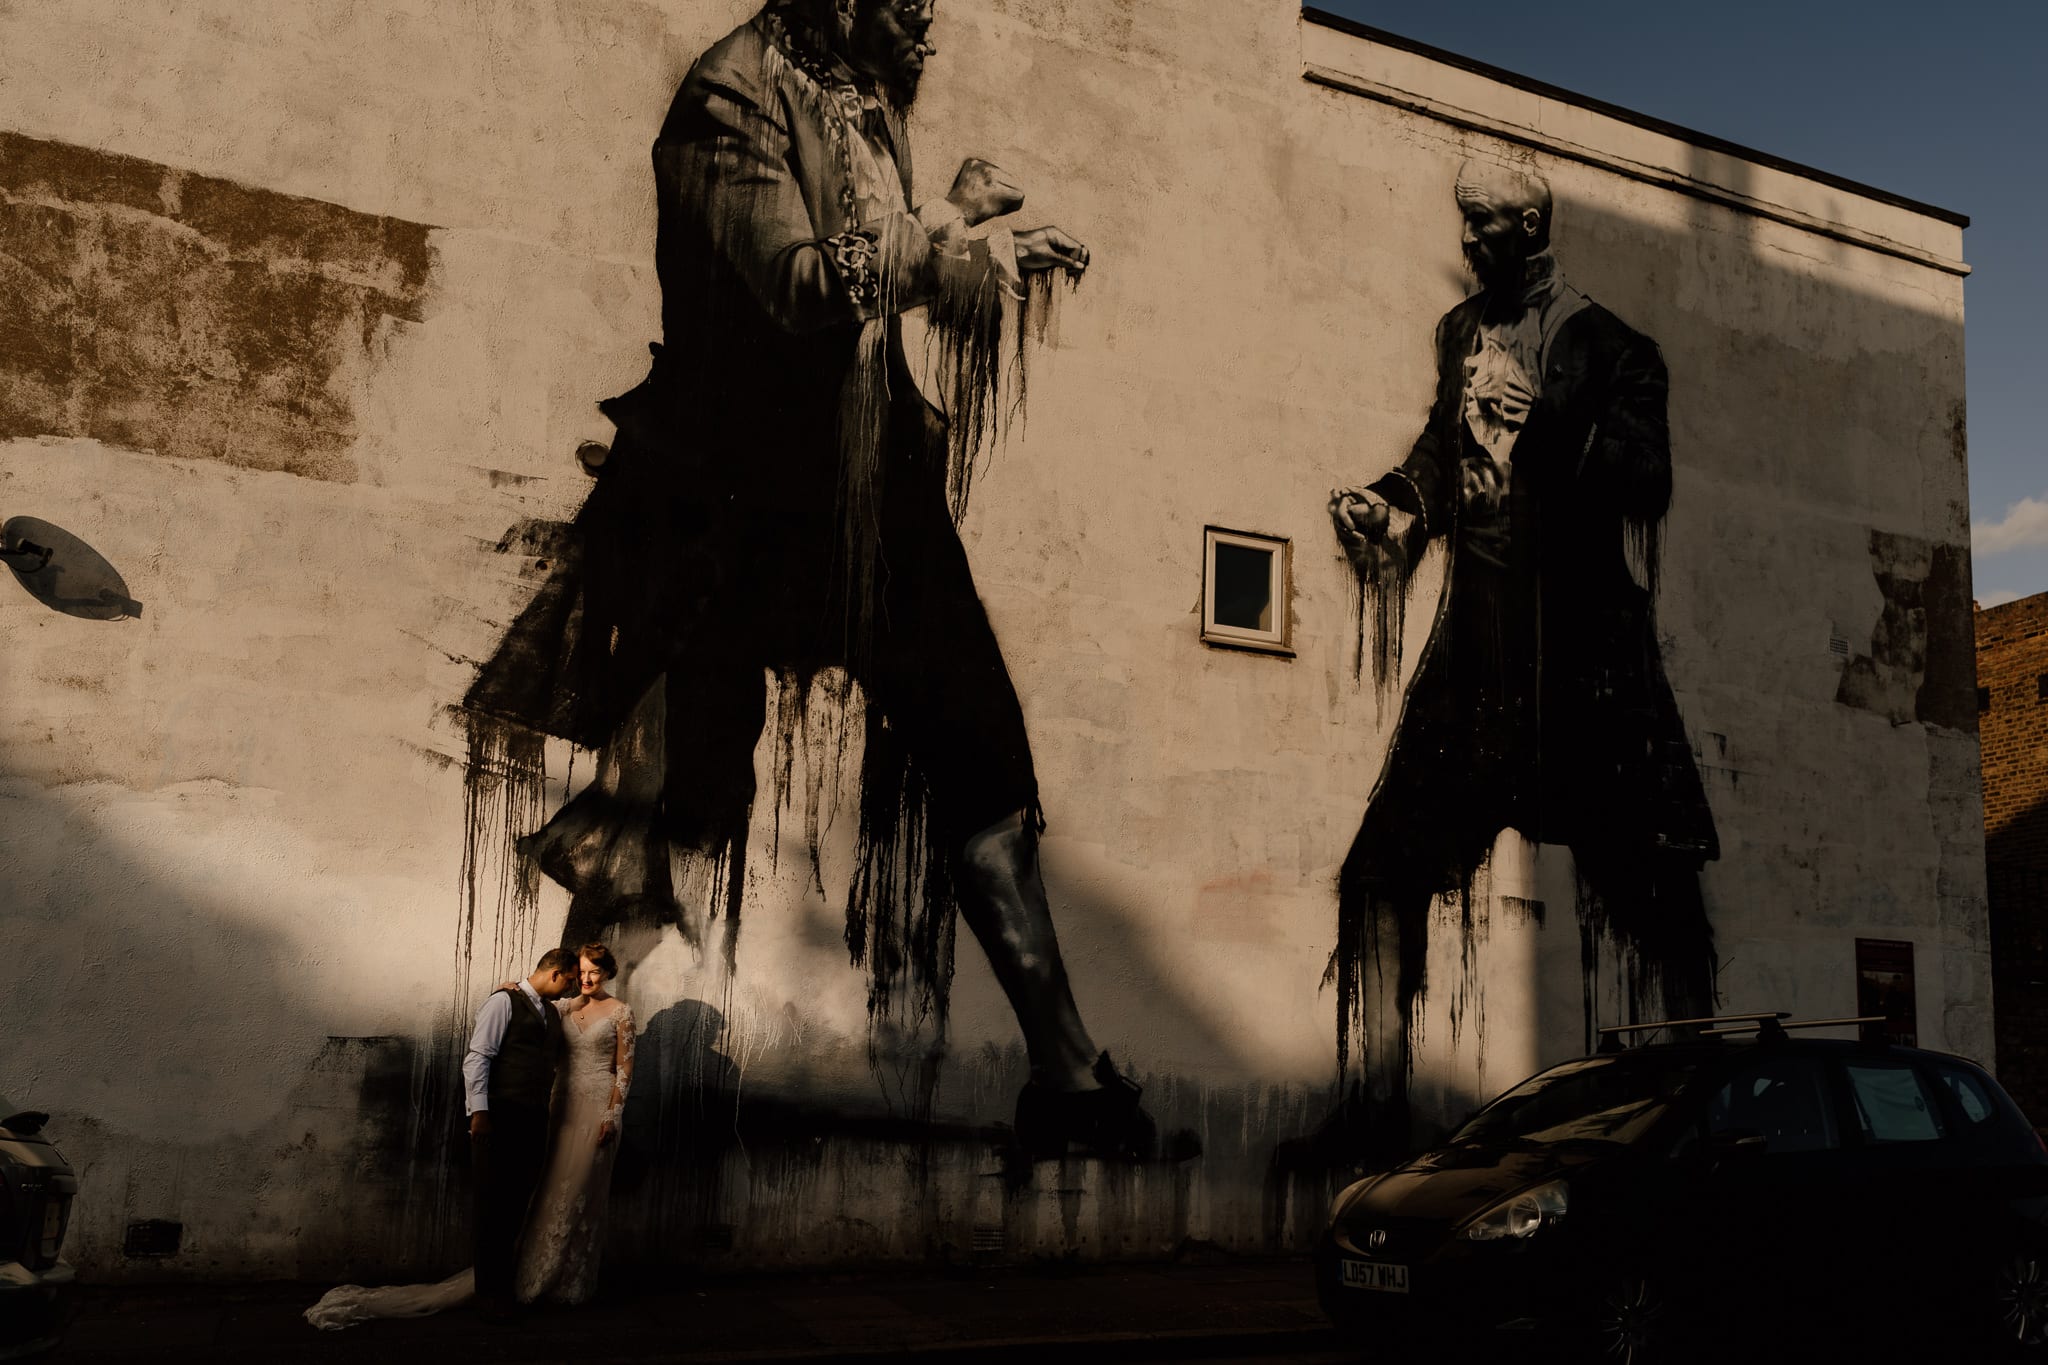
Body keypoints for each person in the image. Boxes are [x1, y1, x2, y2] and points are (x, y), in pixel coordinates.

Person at [461, 0, 1154, 1159]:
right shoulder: (730, 95)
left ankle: (1067, 1074)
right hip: (735, 502)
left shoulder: (866, 99)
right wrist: (951, 247)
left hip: (870, 492)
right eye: (903, 4)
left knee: (982, 761)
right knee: (672, 802)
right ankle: (548, 1060)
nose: (927, 24)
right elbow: (792, 281)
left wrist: (966, 240)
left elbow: (871, 278)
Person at [1325, 160, 1719, 1154]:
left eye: (1485, 227)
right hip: (1479, 635)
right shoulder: (1458, 331)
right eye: (1463, 226)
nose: (1468, 245)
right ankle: (1372, 1114)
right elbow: (1435, 453)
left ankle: (1698, 1103)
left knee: (1655, 884)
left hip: (1583, 644)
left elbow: (1642, 479)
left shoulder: (1612, 344)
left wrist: (1532, 423)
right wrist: (1392, 502)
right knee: (1378, 868)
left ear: (1530, 228)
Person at [304, 949, 577, 1329]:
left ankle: (502, 1285)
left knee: (516, 1205)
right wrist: (479, 1112)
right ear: (556, 973)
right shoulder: (503, 1002)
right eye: (572, 979)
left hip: (532, 1120)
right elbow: (478, 1057)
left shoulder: (549, 1011)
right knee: (491, 1208)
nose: (576, 986)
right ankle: (490, 1297)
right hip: (499, 1116)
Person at [514, 944, 636, 1304]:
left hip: (598, 1107)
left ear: (608, 973)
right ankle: (532, 1275)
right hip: (562, 1106)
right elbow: (531, 1002)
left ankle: (571, 1284)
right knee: (549, 1189)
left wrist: (612, 1115)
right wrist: (511, 988)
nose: (585, 979)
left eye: (594, 972)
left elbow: (625, 1069)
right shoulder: (563, 1008)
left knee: (583, 1193)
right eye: (581, 972)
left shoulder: (621, 1013)